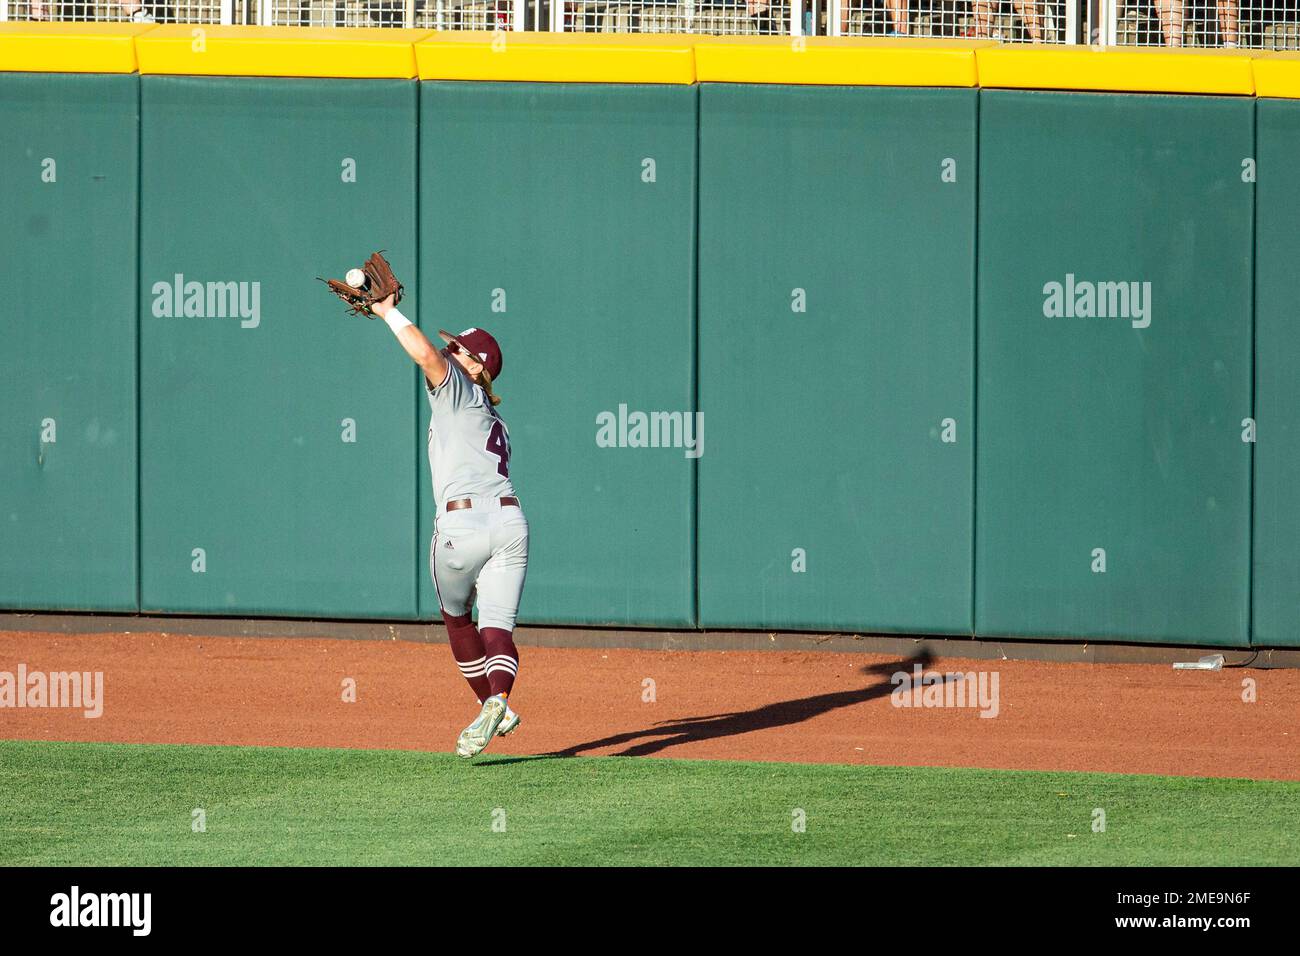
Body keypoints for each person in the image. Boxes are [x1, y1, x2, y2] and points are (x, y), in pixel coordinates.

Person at [371, 293, 530, 760]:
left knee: (459, 620)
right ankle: (499, 702)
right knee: (498, 628)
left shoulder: (459, 389)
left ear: (476, 367)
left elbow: (422, 352)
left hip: (462, 523)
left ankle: (489, 703)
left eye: (458, 349)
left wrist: (386, 312)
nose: (448, 352)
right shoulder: (494, 418)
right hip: (510, 521)